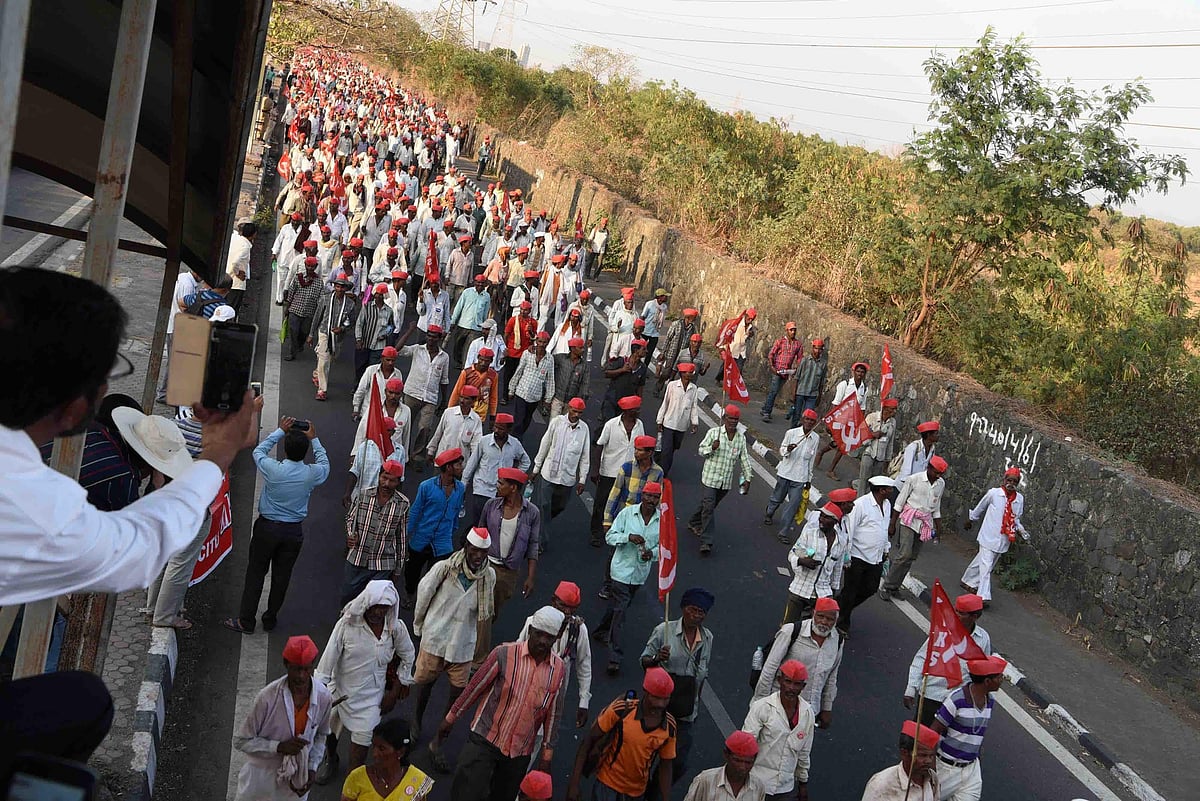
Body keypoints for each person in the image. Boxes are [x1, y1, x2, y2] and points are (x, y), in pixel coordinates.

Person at [433, 607, 567, 798]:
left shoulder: (559, 670)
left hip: (519, 751)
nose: (543, 641)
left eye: (549, 637)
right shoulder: (504, 654)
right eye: (539, 635)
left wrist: (546, 757)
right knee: (465, 792)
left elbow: (553, 715)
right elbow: (475, 688)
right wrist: (450, 719)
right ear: (530, 631)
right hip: (485, 738)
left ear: (556, 638)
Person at [225, 418, 330, 634]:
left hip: (267, 529)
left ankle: (246, 621)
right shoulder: (311, 474)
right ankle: (270, 618)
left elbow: (258, 451)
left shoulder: (273, 469)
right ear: (304, 451)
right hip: (293, 532)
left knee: (255, 573)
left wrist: (279, 431)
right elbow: (325, 465)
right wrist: (315, 438)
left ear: (285, 448)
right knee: (282, 577)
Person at [314, 581, 416, 782]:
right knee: (330, 733)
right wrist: (317, 694)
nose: (378, 612)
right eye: (375, 606)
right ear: (366, 604)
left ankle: (351, 788)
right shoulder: (346, 625)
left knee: (358, 756)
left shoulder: (395, 628)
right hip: (340, 691)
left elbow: (408, 655)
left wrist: (394, 692)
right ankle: (331, 758)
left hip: (371, 699)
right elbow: (326, 664)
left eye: (384, 608)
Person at [412, 529, 496, 744]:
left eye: (483, 552)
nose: (478, 556)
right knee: (425, 686)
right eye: (475, 550)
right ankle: (416, 723)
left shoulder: (489, 577)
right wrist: (419, 626)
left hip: (463, 645)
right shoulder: (445, 568)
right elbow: (424, 594)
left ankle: (438, 740)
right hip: (435, 639)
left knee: (457, 697)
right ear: (466, 547)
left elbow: (485, 614)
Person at [233, 636, 332, 801]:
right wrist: (278, 747)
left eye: (306, 669)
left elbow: (321, 735)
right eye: (296, 669)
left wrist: (312, 767)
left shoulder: (324, 697)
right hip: (260, 779)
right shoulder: (266, 698)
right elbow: (241, 741)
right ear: (286, 665)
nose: (301, 676)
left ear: (312, 666)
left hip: (295, 781)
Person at [640, 587, 714, 790]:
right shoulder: (663, 631)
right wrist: (657, 659)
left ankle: (654, 791)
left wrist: (695, 707)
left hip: (685, 713)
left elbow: (702, 676)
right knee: (645, 756)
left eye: (701, 612)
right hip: (659, 708)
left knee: (677, 762)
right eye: (693, 609)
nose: (696, 615)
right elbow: (644, 661)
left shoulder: (707, 638)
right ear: (683, 608)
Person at [567, 668, 677, 801]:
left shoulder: (670, 726)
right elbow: (588, 741)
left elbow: (666, 765)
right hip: (607, 787)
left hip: (637, 793)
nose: (660, 705)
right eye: (656, 698)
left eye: (665, 700)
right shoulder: (621, 710)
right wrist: (574, 784)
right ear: (645, 692)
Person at [594, 482, 662, 675]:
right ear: (642, 496)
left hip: (639, 575)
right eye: (648, 496)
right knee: (621, 611)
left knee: (618, 607)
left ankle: (601, 630)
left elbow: (664, 547)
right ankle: (615, 656)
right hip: (620, 572)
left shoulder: (662, 520)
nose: (651, 500)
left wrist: (652, 553)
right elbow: (610, 537)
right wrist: (628, 538)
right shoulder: (627, 514)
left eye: (655, 497)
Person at [752, 599, 843, 730]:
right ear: (813, 614)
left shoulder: (838, 641)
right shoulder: (791, 631)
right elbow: (769, 669)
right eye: (820, 616)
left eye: (829, 619)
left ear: (835, 621)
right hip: (778, 706)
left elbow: (831, 678)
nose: (824, 622)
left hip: (808, 712)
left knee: (796, 749)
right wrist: (759, 703)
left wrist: (826, 708)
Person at [903, 594, 992, 726]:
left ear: (974, 617)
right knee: (922, 738)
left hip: (958, 701)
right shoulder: (941, 631)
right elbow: (922, 658)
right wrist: (911, 688)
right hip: (932, 694)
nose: (955, 615)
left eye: (961, 613)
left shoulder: (982, 639)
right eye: (955, 611)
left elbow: (983, 670)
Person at [519, 581, 594, 731]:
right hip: (526, 686)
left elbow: (584, 666)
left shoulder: (578, 630)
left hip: (554, 695)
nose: (567, 612)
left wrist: (583, 703)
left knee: (542, 734)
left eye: (571, 608)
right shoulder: (533, 623)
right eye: (563, 605)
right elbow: (516, 653)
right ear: (553, 601)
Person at [931, 655, 1006, 801]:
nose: (1002, 680)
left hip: (970, 769)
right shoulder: (956, 700)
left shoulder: (990, 701)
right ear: (987, 681)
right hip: (945, 769)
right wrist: (932, 767)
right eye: (999, 677)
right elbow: (934, 731)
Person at [403, 447, 467, 605]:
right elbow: (415, 511)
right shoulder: (426, 486)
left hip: (443, 543)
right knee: (412, 573)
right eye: (458, 464)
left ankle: (426, 604)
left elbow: (456, 513)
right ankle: (410, 596)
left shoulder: (460, 489)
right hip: (421, 538)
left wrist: (451, 532)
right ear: (449, 467)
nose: (461, 468)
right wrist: (405, 536)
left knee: (436, 577)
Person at [342, 459, 409, 607]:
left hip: (383, 564)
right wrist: (350, 534)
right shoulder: (363, 495)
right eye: (384, 478)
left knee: (374, 604)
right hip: (357, 558)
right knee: (348, 600)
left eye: (392, 481)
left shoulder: (403, 504)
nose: (386, 484)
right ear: (379, 476)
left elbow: (401, 538)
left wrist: (398, 569)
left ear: (398, 482)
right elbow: (350, 519)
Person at [743, 660, 813, 801]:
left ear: (803, 687)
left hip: (785, 788)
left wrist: (803, 783)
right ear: (779, 680)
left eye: (797, 684)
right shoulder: (762, 707)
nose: (791, 688)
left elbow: (804, 752)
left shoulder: (807, 713)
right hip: (756, 784)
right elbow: (746, 746)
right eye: (788, 682)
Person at [879, 456, 947, 602]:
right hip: (909, 519)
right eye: (936, 472)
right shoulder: (914, 479)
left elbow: (936, 507)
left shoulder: (940, 484)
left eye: (940, 474)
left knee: (911, 557)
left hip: (924, 523)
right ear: (929, 468)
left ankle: (895, 587)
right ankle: (887, 585)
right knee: (904, 554)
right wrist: (892, 523)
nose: (938, 476)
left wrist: (938, 527)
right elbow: (900, 501)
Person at [478, 467, 541, 619]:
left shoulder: (532, 513)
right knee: (478, 610)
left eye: (501, 483)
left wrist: (530, 577)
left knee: (493, 612)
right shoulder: (491, 506)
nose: (497, 486)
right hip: (486, 566)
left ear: (513, 488)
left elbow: (533, 545)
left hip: (509, 572)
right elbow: (480, 534)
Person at [688, 406, 752, 556]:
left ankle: (694, 521)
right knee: (709, 507)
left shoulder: (740, 439)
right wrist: (712, 448)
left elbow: (744, 460)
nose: (733, 422)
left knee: (708, 505)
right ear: (724, 418)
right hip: (710, 478)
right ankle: (706, 541)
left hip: (725, 482)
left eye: (736, 419)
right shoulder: (713, 433)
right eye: (730, 418)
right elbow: (701, 450)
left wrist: (747, 478)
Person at [961, 467, 1028, 604]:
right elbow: (981, 507)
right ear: (1004, 480)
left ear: (1018, 483)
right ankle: (982, 597)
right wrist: (971, 519)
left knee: (984, 563)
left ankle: (967, 580)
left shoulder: (1019, 499)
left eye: (1014, 481)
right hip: (988, 536)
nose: (1011, 483)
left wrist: (1021, 531)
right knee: (986, 567)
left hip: (1003, 539)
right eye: (1009, 480)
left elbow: (1016, 519)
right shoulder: (994, 493)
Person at [836, 476, 894, 635]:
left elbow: (883, 528)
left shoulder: (887, 505)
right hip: (857, 556)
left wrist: (886, 549)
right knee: (850, 590)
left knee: (870, 588)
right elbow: (850, 529)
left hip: (876, 557)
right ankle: (842, 624)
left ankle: (835, 606)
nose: (891, 492)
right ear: (881, 490)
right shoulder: (861, 504)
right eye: (889, 489)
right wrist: (846, 555)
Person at [461, 413, 531, 534]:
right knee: (479, 523)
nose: (497, 430)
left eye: (501, 428)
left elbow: (526, 461)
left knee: (494, 525)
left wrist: (514, 477)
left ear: (509, 430)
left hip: (501, 493)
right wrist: (463, 485)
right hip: (482, 489)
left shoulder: (515, 444)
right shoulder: (484, 441)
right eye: (496, 427)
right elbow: (472, 463)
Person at [394, 323, 451, 472]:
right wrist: (410, 330)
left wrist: (444, 401)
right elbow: (397, 350)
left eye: (434, 337)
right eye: (429, 336)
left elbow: (444, 380)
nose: (431, 339)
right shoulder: (417, 350)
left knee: (425, 428)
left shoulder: (444, 357)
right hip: (412, 393)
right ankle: (401, 454)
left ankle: (417, 457)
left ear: (440, 338)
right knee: (404, 426)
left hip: (430, 398)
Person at [589, 395, 645, 546]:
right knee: (602, 502)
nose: (638, 412)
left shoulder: (639, 425)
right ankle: (596, 532)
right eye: (635, 409)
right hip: (609, 471)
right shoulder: (611, 425)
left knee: (625, 504)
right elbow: (599, 445)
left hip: (630, 473)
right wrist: (595, 470)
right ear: (627, 411)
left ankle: (617, 531)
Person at [338, 719, 434, 800]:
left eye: (382, 748)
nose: (374, 754)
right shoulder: (357, 777)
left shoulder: (416, 781)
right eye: (374, 746)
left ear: (400, 752)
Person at [782, 503, 845, 624]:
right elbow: (792, 555)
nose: (821, 519)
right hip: (800, 589)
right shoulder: (809, 534)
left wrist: (833, 592)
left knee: (815, 629)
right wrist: (802, 561)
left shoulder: (841, 543)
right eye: (821, 516)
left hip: (823, 593)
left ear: (835, 521)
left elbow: (837, 568)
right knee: (787, 627)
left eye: (826, 517)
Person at [532, 397, 591, 525]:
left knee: (560, 506)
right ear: (568, 408)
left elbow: (585, 456)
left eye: (579, 413)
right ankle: (541, 540)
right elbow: (545, 444)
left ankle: (541, 523)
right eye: (574, 411)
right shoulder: (557, 422)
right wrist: (536, 468)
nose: (576, 415)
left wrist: (582, 479)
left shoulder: (584, 429)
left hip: (567, 477)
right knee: (543, 507)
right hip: (549, 473)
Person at [763, 409, 820, 533]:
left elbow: (811, 459)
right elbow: (782, 451)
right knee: (777, 498)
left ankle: (783, 531)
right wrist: (788, 449)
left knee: (793, 505)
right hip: (786, 473)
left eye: (812, 421)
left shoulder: (815, 438)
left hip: (800, 478)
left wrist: (809, 479)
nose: (809, 422)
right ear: (802, 420)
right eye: (807, 419)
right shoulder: (791, 433)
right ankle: (769, 512)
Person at [813, 361, 871, 477]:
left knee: (841, 445)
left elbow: (862, 408)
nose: (860, 374)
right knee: (841, 445)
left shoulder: (864, 389)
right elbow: (836, 404)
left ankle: (823, 456)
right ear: (853, 372)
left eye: (862, 372)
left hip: (852, 422)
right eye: (858, 371)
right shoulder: (844, 385)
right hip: (840, 420)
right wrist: (833, 422)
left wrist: (859, 424)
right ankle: (827, 464)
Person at [860, 721, 940, 801]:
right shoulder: (880, 786)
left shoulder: (932, 778)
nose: (929, 761)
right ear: (904, 753)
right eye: (923, 755)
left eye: (931, 756)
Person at [309, 272, 359, 401]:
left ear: (346, 288)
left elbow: (351, 323)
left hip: (338, 337)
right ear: (334, 286)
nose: (340, 289)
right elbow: (317, 316)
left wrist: (341, 328)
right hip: (324, 332)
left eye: (342, 287)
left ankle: (317, 373)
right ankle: (322, 390)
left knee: (329, 358)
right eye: (337, 286)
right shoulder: (326, 299)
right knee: (324, 359)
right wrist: (310, 334)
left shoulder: (350, 304)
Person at [683, 731, 766, 801]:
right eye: (737, 760)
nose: (742, 767)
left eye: (748, 763)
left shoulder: (758, 787)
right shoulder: (705, 781)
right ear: (726, 755)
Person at [655, 362, 699, 477]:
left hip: (682, 425)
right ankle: (663, 474)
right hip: (669, 423)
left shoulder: (693, 389)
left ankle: (660, 460)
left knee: (674, 447)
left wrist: (695, 422)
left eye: (691, 373)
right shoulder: (672, 386)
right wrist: (660, 420)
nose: (690, 375)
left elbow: (694, 406)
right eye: (688, 373)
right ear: (682, 374)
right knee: (667, 450)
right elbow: (665, 403)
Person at [511, 331, 556, 440]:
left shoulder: (550, 359)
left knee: (526, 421)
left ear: (547, 343)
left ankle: (516, 439)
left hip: (535, 396)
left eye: (544, 342)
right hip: (521, 392)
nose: (541, 344)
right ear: (536, 341)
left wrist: (548, 398)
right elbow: (519, 371)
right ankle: (516, 442)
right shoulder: (527, 353)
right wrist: (511, 389)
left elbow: (550, 379)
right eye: (539, 341)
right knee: (519, 420)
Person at [760, 322, 805, 423]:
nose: (793, 332)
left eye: (794, 330)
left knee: (775, 391)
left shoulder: (798, 344)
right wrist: (772, 367)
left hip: (786, 372)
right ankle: (767, 412)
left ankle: (765, 408)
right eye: (791, 330)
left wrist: (797, 369)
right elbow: (771, 354)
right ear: (787, 331)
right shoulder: (780, 341)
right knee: (774, 391)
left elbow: (800, 358)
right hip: (777, 370)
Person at [284, 257, 325, 360]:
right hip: (295, 309)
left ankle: (300, 345)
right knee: (293, 331)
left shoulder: (319, 282)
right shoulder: (298, 278)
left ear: (315, 267)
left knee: (304, 332)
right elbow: (291, 293)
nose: (310, 268)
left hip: (309, 313)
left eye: (312, 266)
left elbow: (321, 299)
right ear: (305, 266)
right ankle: (292, 352)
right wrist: (287, 308)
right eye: (308, 266)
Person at [654, 307, 700, 396]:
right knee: (666, 373)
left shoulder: (693, 328)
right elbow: (668, 338)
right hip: (672, 353)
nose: (694, 320)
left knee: (675, 375)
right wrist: (663, 352)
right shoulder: (676, 324)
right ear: (688, 317)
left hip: (682, 356)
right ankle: (658, 387)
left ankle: (668, 393)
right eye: (693, 318)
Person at [355, 284, 397, 379]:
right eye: (377, 294)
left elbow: (391, 326)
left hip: (378, 346)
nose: (378, 296)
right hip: (365, 344)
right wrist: (358, 339)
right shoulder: (367, 307)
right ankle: (357, 387)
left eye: (381, 295)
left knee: (373, 370)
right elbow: (359, 324)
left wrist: (385, 335)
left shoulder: (389, 311)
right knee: (360, 368)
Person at [857, 398, 898, 492]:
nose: (894, 411)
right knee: (863, 480)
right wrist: (872, 435)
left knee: (875, 482)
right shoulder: (872, 417)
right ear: (886, 409)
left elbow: (890, 442)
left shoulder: (892, 422)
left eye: (895, 409)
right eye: (892, 409)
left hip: (881, 456)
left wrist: (887, 459)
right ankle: (859, 501)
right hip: (869, 452)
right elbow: (861, 434)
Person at [449, 351, 500, 423]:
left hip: (481, 413)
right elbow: (457, 392)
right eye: (481, 360)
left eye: (486, 361)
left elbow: (493, 396)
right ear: (478, 358)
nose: (483, 363)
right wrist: (449, 410)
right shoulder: (466, 372)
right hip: (465, 409)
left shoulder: (493, 375)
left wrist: (492, 415)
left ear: (491, 361)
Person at [503, 301, 538, 403]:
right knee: (508, 375)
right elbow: (506, 335)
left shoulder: (533, 323)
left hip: (524, 354)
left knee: (520, 375)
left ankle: (515, 394)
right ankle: (505, 395)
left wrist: (531, 331)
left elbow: (533, 338)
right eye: (522, 309)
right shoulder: (513, 320)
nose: (523, 312)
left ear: (529, 311)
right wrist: (506, 349)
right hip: (512, 353)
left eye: (525, 310)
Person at [788, 339, 827, 427]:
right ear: (813, 348)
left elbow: (821, 382)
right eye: (816, 348)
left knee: (808, 416)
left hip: (812, 394)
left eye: (820, 349)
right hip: (801, 391)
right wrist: (793, 392)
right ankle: (792, 431)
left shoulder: (823, 364)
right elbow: (796, 377)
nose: (818, 351)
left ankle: (803, 433)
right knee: (797, 414)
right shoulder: (804, 361)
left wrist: (819, 396)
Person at [550, 337, 591, 418]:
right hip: (557, 399)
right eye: (580, 348)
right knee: (553, 424)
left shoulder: (584, 366)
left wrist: (581, 401)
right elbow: (548, 359)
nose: (583, 350)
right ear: (572, 348)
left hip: (571, 403)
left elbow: (585, 384)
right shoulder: (561, 359)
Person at [895, 421, 939, 485]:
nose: (938, 436)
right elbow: (906, 469)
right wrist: (907, 484)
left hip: (918, 484)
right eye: (936, 433)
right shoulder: (913, 447)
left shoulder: (932, 448)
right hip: (905, 485)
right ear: (929, 435)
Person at [226, 217, 256, 312]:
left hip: (228, 277)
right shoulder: (245, 247)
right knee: (232, 308)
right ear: (253, 235)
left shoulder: (236, 239)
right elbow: (235, 262)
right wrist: (238, 273)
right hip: (236, 283)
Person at [640, 288, 670, 359]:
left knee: (650, 352)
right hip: (646, 330)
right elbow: (643, 316)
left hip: (655, 332)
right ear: (660, 297)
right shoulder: (650, 304)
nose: (666, 298)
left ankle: (645, 366)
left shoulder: (664, 307)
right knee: (640, 350)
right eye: (665, 296)